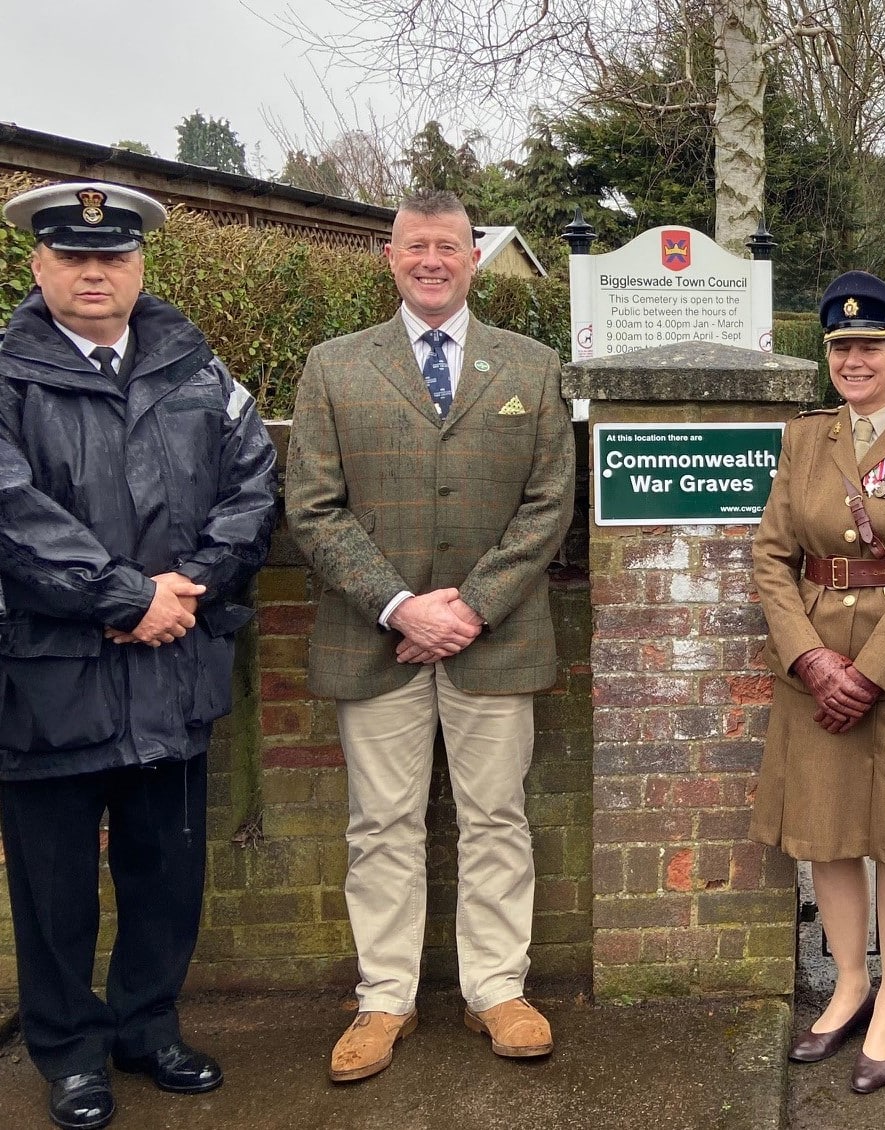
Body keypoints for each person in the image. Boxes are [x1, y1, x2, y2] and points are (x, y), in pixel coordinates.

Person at [0, 181, 278, 1130]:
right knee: (54, 889)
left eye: (112, 257)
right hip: (49, 683)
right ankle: (71, 1052)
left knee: (167, 871)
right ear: (38, 266)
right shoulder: (5, 374)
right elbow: (13, 517)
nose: (93, 272)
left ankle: (146, 1026)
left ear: (139, 266)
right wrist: (129, 596)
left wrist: (188, 586)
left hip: (171, 673)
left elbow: (254, 484)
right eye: (74, 257)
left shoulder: (199, 371)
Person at [285, 190, 575, 1082]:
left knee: (496, 818)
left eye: (448, 246)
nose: (432, 261)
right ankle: (385, 1000)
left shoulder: (531, 368)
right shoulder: (333, 367)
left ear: (473, 258)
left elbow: (547, 504)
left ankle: (497, 990)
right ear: (391, 257)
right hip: (378, 639)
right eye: (415, 247)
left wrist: (470, 608)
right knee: (381, 824)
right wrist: (403, 607)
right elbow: (314, 507)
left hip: (496, 638)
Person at [750, 270, 885, 1095]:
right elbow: (773, 556)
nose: (852, 359)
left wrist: (869, 674)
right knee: (829, 835)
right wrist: (811, 658)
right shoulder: (804, 439)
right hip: (815, 671)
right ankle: (849, 983)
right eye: (841, 347)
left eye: (869, 347)